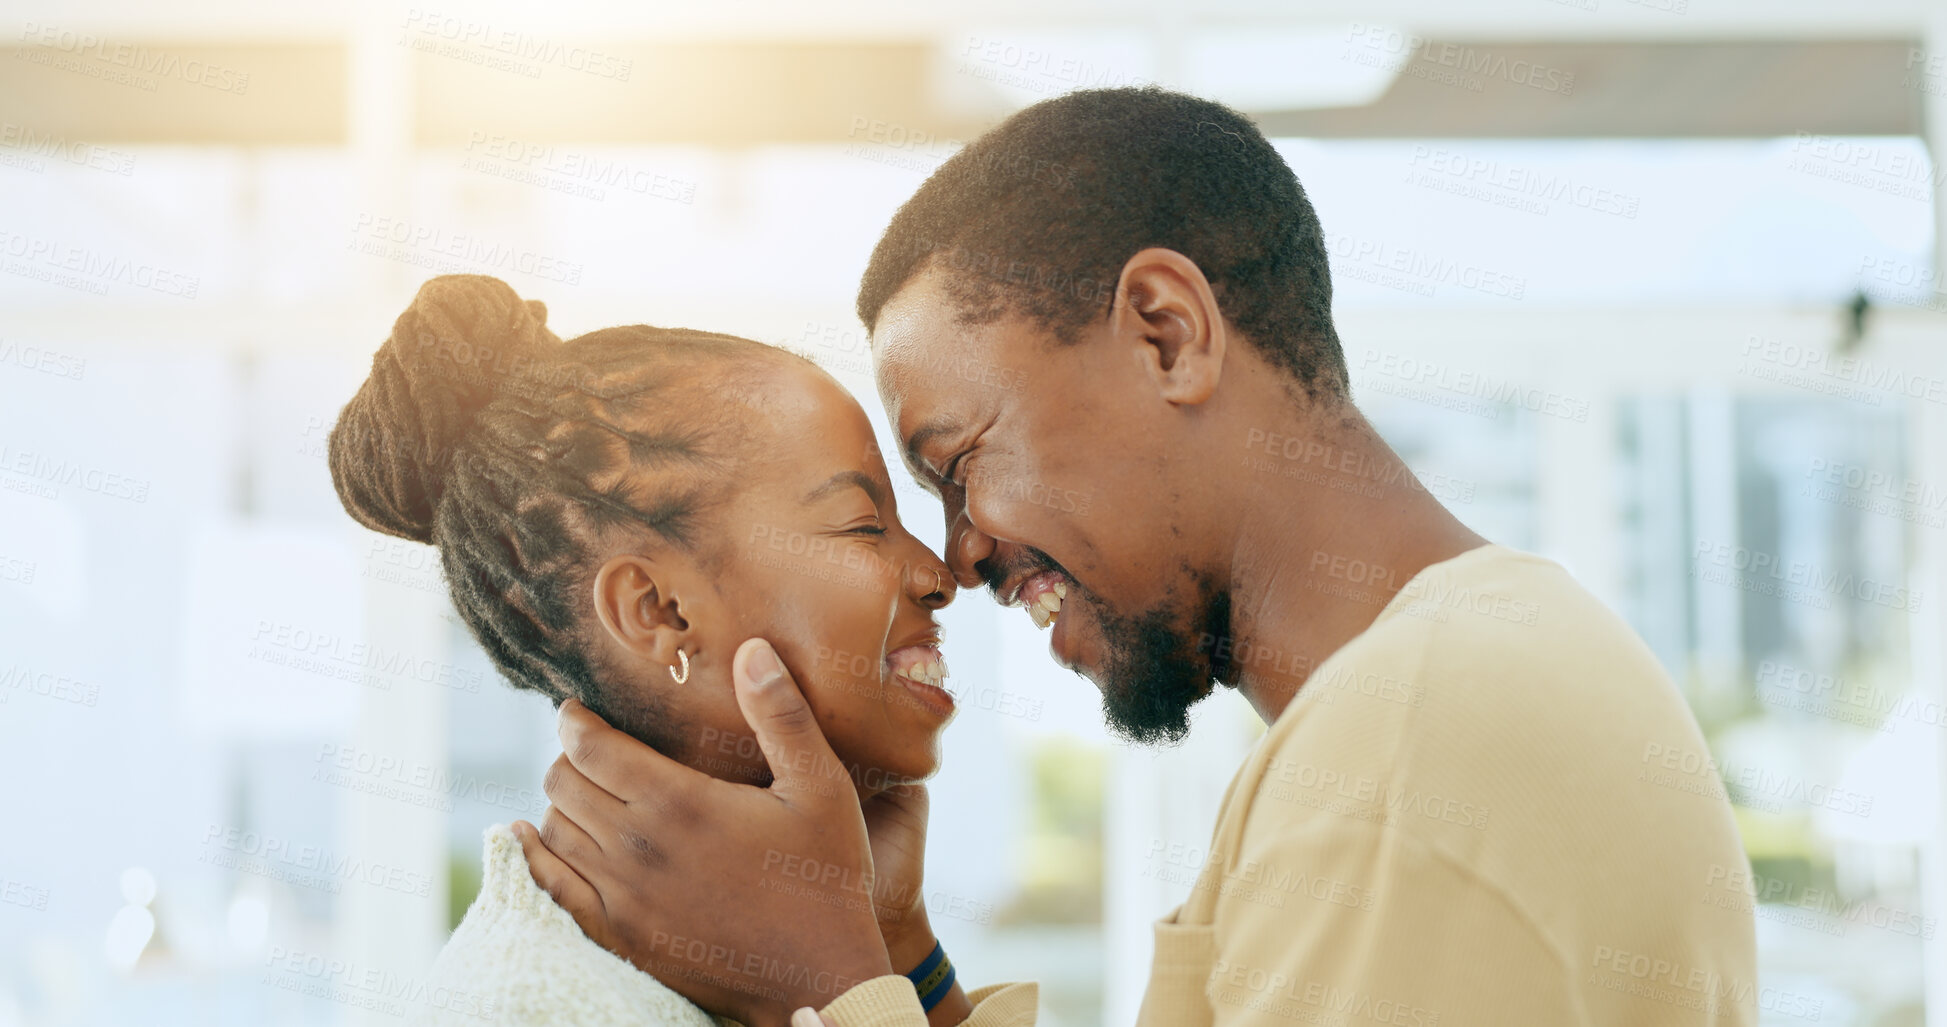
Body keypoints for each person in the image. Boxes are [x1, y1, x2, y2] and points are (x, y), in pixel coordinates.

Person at [519, 87, 1759, 1027]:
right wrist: (901, 956)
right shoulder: (1421, 699)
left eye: (957, 464)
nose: (959, 558)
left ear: (1165, 335)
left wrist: (828, 977)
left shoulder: (1406, 752)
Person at [326, 274, 981, 1026]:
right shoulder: (532, 1007)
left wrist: (891, 943)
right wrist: (839, 980)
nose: (939, 573)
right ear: (658, 612)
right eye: (864, 524)